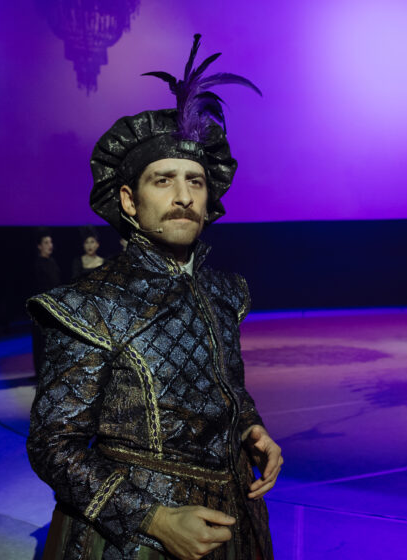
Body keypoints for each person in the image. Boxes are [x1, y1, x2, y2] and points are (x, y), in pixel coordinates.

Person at [25, 35, 279, 559]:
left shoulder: (225, 292)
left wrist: (249, 425)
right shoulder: (89, 305)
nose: (183, 196)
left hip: (233, 523)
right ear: (129, 200)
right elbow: (53, 447)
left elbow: (225, 385)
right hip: (135, 543)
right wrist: (154, 518)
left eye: (196, 182)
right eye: (163, 180)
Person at [30, 228, 62, 376]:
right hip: (42, 308)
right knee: (41, 341)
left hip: (53, 306)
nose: (50, 245)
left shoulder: (52, 262)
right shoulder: (37, 265)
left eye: (51, 242)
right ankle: (41, 373)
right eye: (46, 242)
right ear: (39, 246)